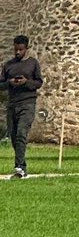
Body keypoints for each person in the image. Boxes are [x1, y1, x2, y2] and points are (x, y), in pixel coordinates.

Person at [2, 36, 42, 180]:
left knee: (21, 134)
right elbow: (1, 85)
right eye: (16, 49)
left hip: (27, 104)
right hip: (12, 104)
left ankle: (19, 168)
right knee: (13, 136)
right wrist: (10, 82)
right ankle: (22, 164)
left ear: (26, 49)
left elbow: (38, 83)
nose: (18, 52)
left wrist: (26, 82)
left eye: (21, 50)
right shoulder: (8, 65)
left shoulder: (33, 63)